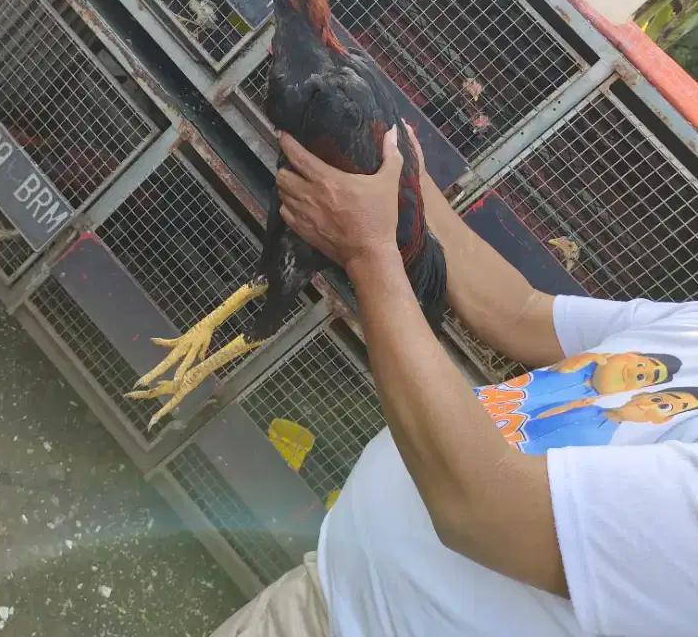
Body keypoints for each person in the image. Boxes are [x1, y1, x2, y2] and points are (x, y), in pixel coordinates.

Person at [211, 126, 698, 637]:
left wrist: (368, 251)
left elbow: (485, 513)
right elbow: (521, 313)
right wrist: (409, 179)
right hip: (327, 591)